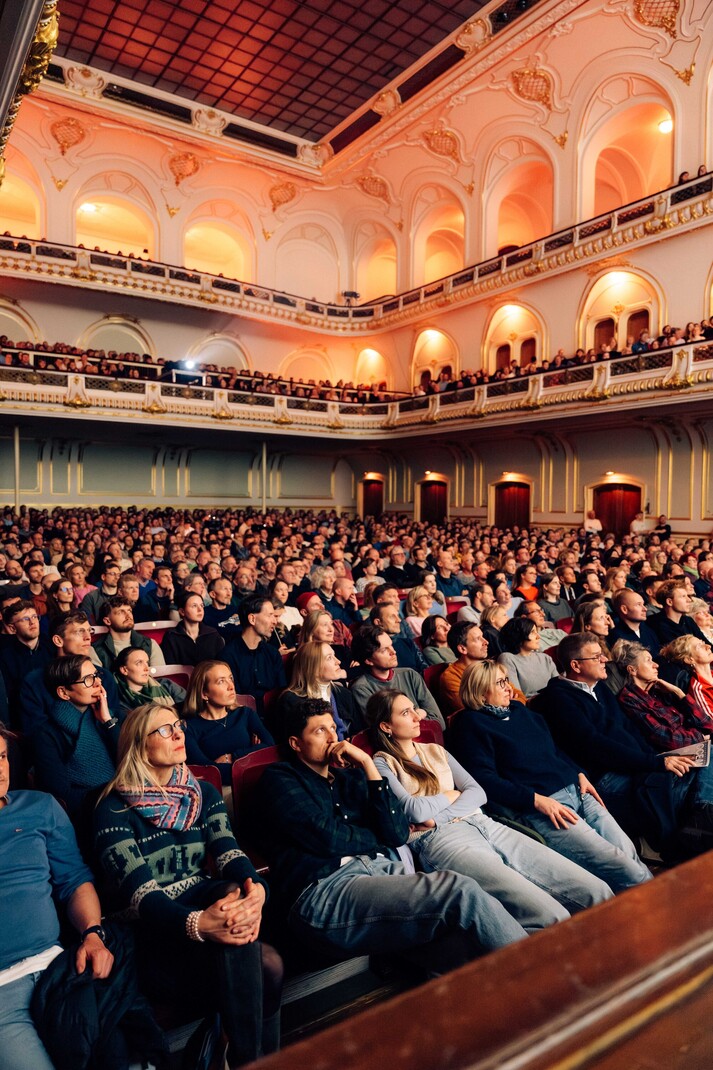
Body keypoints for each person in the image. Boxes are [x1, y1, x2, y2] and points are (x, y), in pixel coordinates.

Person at [254, 699, 528, 971]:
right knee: (459, 890)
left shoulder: (352, 779)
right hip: (324, 891)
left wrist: (367, 764)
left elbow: (396, 833)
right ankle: (537, 969)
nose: (332, 738)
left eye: (333, 729)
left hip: (379, 873)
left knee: (463, 947)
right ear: (295, 743)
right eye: (319, 731)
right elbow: (326, 837)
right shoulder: (280, 778)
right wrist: (376, 837)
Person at [94, 704, 283, 1067]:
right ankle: (251, 1060)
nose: (179, 734)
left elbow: (229, 853)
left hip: (206, 908)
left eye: (178, 725)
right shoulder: (112, 809)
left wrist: (255, 888)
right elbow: (142, 898)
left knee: (234, 898)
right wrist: (198, 924)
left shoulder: (202, 794)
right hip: (151, 931)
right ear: (138, 745)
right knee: (267, 964)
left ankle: (251, 1059)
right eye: (164, 730)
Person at [367, 689, 613, 930]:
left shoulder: (436, 750)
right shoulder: (382, 763)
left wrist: (438, 815)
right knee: (550, 915)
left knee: (597, 890)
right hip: (442, 839)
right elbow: (415, 811)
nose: (417, 716)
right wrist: (452, 795)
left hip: (485, 823)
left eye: (414, 709)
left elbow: (478, 793)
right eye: (405, 713)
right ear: (386, 726)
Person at [449, 660, 652, 891]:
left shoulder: (520, 710)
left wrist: (579, 773)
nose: (508, 687)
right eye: (500, 683)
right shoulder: (470, 724)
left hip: (577, 789)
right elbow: (485, 780)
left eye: (507, 680)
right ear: (480, 692)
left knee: (627, 850)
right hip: (544, 806)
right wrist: (535, 800)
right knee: (618, 863)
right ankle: (662, 903)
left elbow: (554, 750)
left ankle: (644, 902)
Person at [0, 721, 115, 1070]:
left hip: (59, 966)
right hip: (3, 989)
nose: (0, 769)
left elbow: (74, 880)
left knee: (124, 1057)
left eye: (1, 756)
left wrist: (92, 935)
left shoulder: (39, 807)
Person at [538, 632, 707, 858]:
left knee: (703, 761)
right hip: (607, 776)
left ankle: (701, 817)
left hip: (635, 763)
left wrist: (657, 758)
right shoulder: (558, 698)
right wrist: (655, 763)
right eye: (596, 657)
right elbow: (597, 746)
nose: (604, 660)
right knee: (686, 781)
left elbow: (629, 729)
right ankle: (687, 830)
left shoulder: (599, 687)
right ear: (576, 665)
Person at [35, 654, 122, 822]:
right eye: (88, 679)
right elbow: (60, 795)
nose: (98, 683)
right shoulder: (46, 734)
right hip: (87, 814)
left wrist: (108, 722)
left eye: (96, 675)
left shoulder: (111, 717)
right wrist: (115, 793)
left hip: (126, 799)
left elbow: (131, 761)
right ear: (64, 692)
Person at [183, 661, 274, 784]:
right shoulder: (189, 728)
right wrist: (252, 755)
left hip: (259, 780)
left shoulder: (245, 713)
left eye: (230, 678)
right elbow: (208, 772)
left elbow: (270, 748)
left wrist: (232, 757)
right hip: (222, 789)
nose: (231, 686)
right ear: (204, 694)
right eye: (221, 681)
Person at [350, 625, 445, 727]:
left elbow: (439, 722)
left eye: (391, 645)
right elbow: (384, 730)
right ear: (369, 660)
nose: (393, 652)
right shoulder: (361, 689)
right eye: (384, 650)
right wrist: (420, 715)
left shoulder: (410, 674)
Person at [272, 641, 359, 741]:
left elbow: (358, 733)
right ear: (313, 667)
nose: (338, 661)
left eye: (334, 656)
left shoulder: (344, 694)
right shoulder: (291, 701)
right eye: (329, 658)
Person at [222, 595, 287, 717]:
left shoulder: (273, 654)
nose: (275, 621)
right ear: (252, 619)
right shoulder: (227, 656)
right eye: (270, 615)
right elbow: (233, 700)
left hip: (274, 717)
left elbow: (281, 692)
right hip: (242, 718)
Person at [497, 616, 559, 698]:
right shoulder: (507, 658)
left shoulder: (545, 658)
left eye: (537, 632)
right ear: (518, 635)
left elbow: (559, 687)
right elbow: (517, 696)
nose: (538, 637)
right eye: (532, 632)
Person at [114, 645, 185, 716]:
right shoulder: (117, 699)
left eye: (147, 663)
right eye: (139, 663)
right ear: (124, 670)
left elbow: (189, 708)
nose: (146, 668)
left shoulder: (166, 684)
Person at [160, 590, 224, 667]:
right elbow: (170, 668)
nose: (200, 610)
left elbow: (221, 664)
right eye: (194, 606)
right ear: (182, 611)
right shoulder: (171, 636)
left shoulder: (212, 634)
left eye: (202, 605)